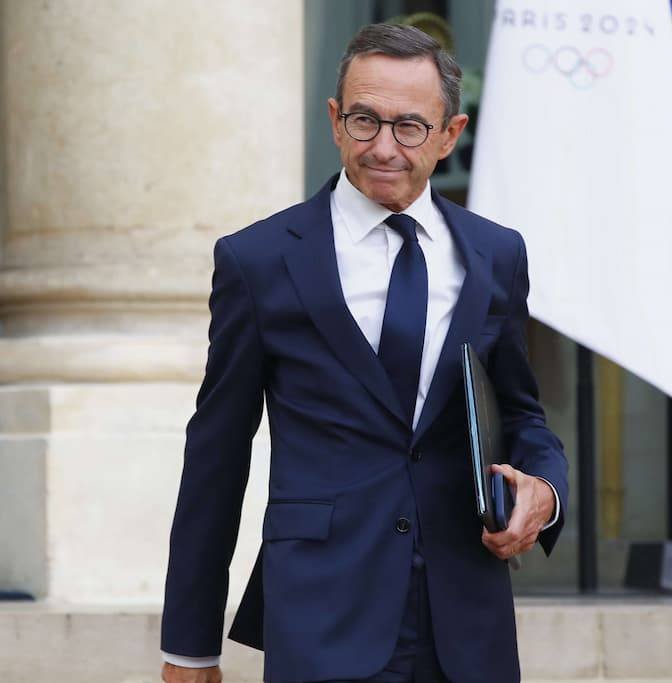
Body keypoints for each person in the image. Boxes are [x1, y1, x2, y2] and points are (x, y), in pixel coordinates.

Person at [160, 23, 568, 683]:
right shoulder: (258, 260)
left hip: (467, 626)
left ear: (450, 134)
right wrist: (190, 646)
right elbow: (217, 455)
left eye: (409, 127)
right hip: (320, 618)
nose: (382, 147)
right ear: (334, 120)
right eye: (364, 120)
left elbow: (522, 414)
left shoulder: (497, 254)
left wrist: (546, 491)